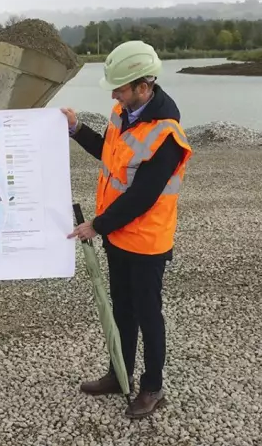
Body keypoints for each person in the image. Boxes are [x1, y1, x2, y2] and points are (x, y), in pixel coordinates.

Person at [62, 40, 193, 419]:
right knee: (122, 311)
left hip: (147, 242)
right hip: (118, 236)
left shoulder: (166, 135)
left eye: (120, 88)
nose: (115, 95)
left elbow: (143, 195)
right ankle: (119, 374)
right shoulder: (123, 113)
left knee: (148, 313)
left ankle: (152, 387)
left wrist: (96, 225)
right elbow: (107, 152)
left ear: (143, 85)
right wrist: (76, 128)